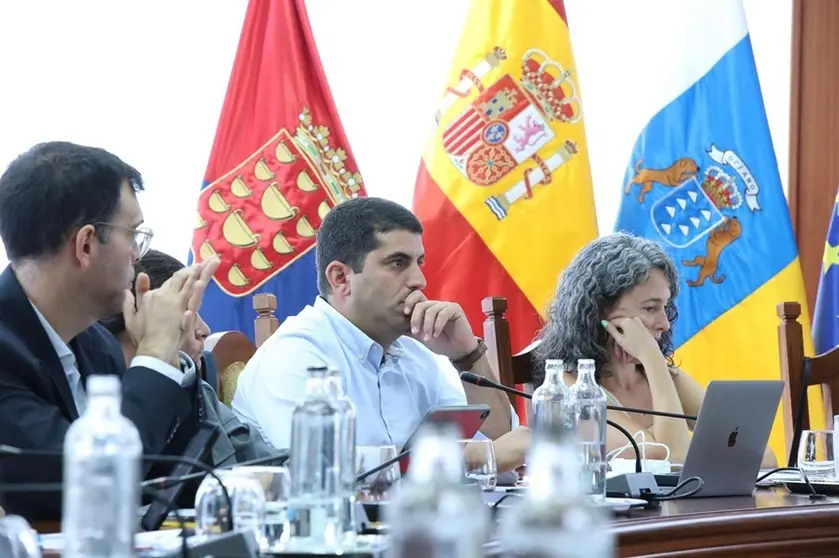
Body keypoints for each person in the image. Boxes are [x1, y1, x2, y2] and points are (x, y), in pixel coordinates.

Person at [0, 141, 218, 521]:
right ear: (85, 244)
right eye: (133, 234)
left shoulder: (96, 343)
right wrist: (151, 355)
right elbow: (86, 484)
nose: (138, 253)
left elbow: (170, 484)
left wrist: (167, 356)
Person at [233, 197, 531, 472]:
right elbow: (325, 475)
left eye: (419, 263)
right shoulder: (294, 356)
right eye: (397, 263)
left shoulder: (415, 354)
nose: (419, 280)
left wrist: (467, 355)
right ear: (341, 278)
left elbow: (502, 440)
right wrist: (478, 457)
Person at [534, 232, 777, 468]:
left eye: (665, 307)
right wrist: (652, 358)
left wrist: (654, 364)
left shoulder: (663, 376)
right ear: (600, 311)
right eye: (650, 308)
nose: (665, 323)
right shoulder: (570, 389)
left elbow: (762, 456)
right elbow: (668, 458)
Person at [100, 249, 283, 467]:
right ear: (135, 317)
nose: (204, 329)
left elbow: (266, 463)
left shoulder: (192, 383)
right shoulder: (97, 403)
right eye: (186, 312)